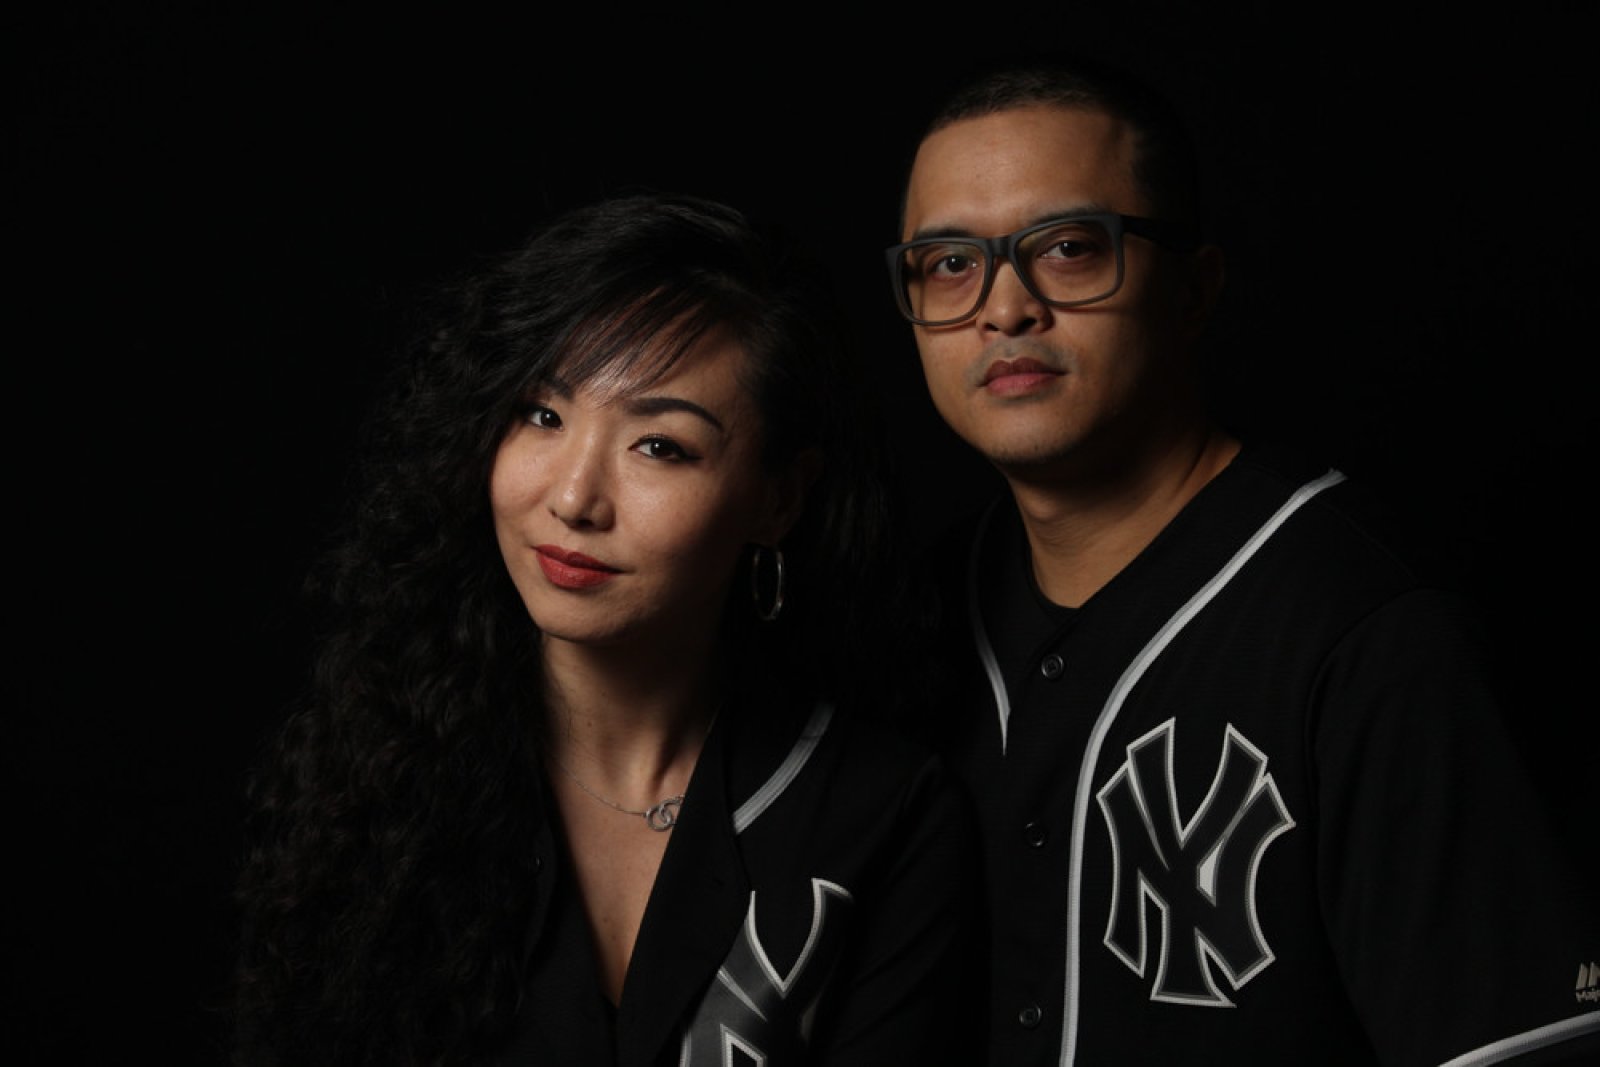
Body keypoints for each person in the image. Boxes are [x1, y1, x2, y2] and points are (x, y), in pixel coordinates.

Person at [882, 54, 1599, 1066]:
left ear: (1193, 287)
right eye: (950, 263)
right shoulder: (911, 618)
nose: (1004, 309)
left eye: (1070, 248)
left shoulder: (1371, 631)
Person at [229, 191, 982, 1066]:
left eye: (659, 445)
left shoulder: (883, 816)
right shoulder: (380, 766)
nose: (574, 497)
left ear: (777, 499)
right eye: (542, 414)